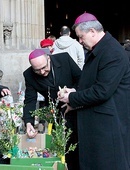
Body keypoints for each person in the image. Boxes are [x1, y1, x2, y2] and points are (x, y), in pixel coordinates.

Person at [58, 12, 130, 170]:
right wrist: (74, 90)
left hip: (108, 127)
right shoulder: (101, 49)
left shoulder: (112, 52)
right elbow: (92, 82)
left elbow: (102, 91)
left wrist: (72, 98)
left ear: (92, 31)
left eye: (81, 37)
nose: (80, 41)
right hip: (98, 125)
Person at [23, 49, 82, 170]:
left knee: (81, 148)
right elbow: (30, 100)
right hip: (58, 114)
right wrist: (28, 122)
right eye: (37, 70)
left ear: (49, 58)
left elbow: (81, 80)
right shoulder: (28, 75)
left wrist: (73, 98)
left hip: (78, 108)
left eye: (44, 67)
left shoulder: (64, 59)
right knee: (64, 149)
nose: (42, 72)